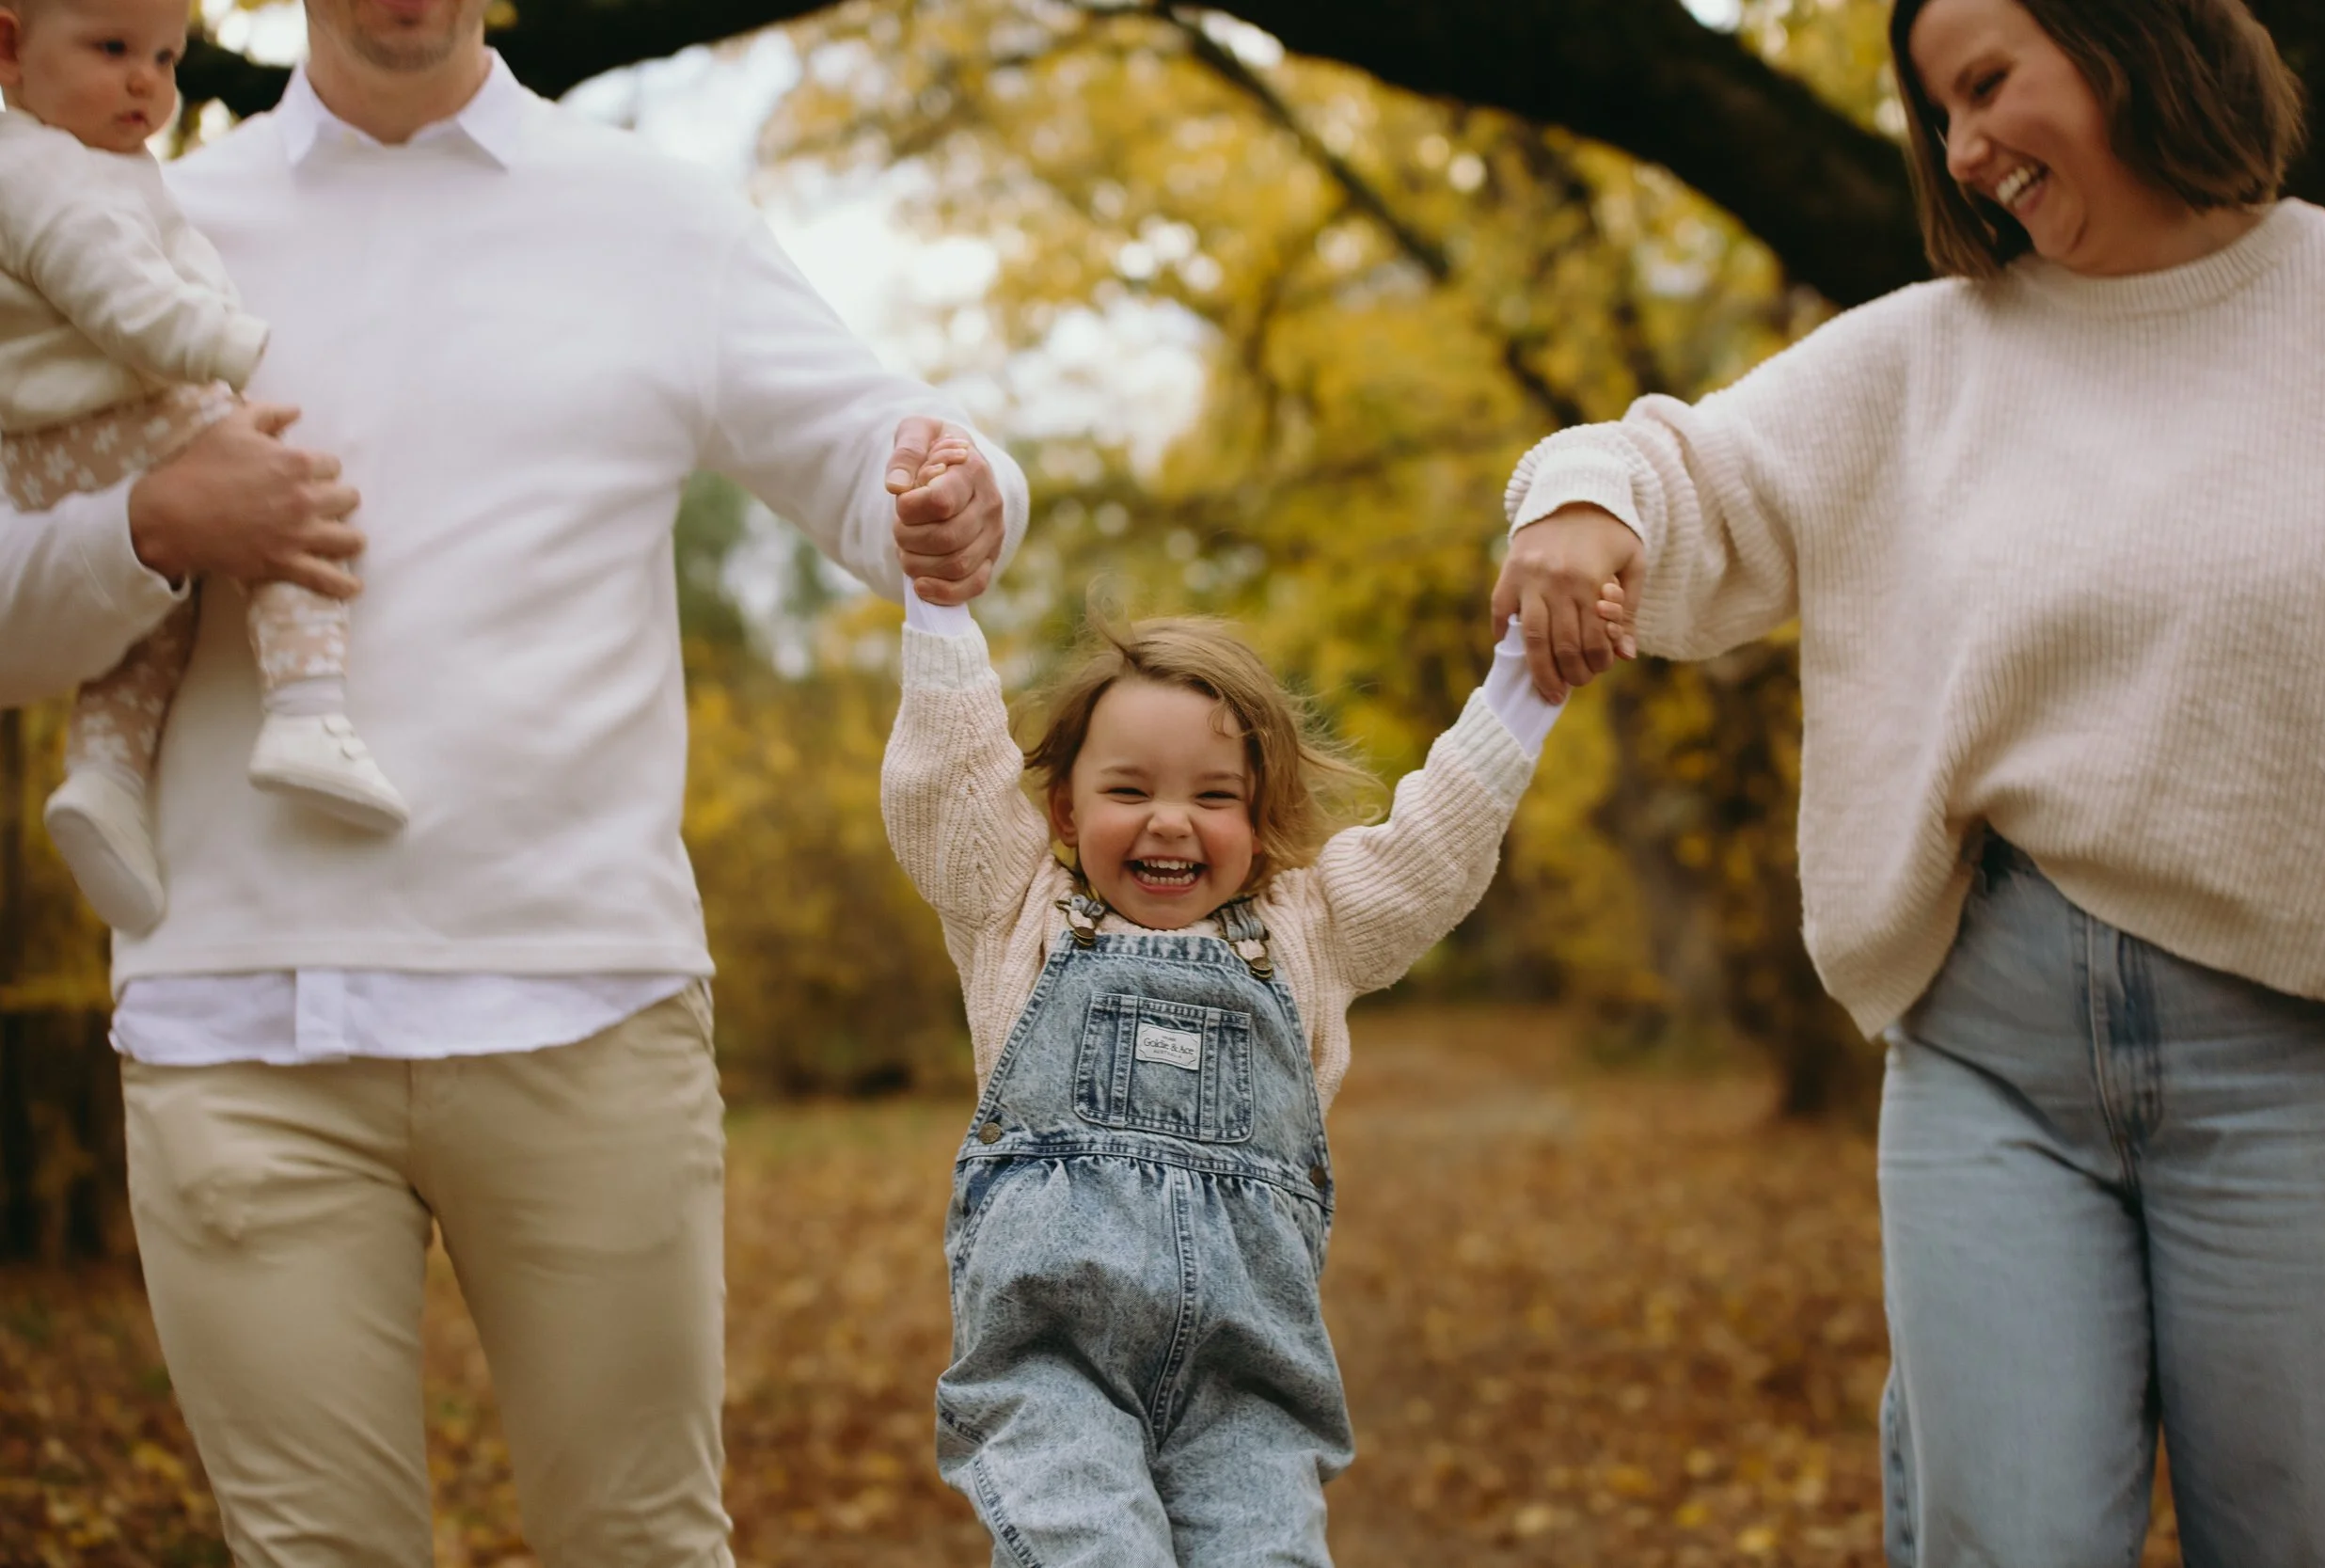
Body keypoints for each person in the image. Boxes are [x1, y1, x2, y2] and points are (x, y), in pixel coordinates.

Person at [0, 1, 1025, 1562]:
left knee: (642, 1546)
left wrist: (963, 494)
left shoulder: (652, 217)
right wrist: (149, 522)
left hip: (583, 1011)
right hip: (237, 1034)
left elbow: (882, 450)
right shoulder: (141, 216)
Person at [1492, 0, 2325, 1561]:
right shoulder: (1924, 362)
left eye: (1986, 85)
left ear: (2134, 38)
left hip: (2300, 1057)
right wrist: (1579, 500)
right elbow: (1684, 469)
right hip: (1992, 1053)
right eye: (1936, 112)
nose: (1962, 152)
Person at [878, 489, 1561, 1564]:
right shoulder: (1019, 911)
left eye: (1213, 794)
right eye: (1128, 788)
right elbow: (950, 782)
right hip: (1054, 1371)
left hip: (1247, 1392)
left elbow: (1435, 843)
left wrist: (1524, 687)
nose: (1169, 818)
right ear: (1064, 812)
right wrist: (940, 607)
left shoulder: (1308, 934)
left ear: (1258, 817)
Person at [0, 0, 404, 941]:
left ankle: (107, 774)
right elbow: (120, 298)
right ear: (12, 48)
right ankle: (308, 706)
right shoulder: (41, 168)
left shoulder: (92, 164)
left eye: (166, 58)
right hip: (87, 425)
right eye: (113, 51)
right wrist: (232, 345)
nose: (148, 81)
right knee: (280, 489)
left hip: (61, 443)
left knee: (152, 608)